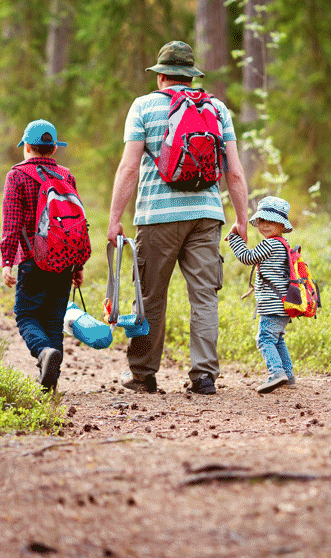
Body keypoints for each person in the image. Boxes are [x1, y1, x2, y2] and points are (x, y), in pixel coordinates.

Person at [104, 40, 251, 395]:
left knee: (151, 296)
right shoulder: (217, 109)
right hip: (207, 215)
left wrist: (114, 219)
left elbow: (129, 168)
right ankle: (203, 375)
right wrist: (242, 220)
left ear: (162, 77)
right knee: (204, 297)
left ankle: (143, 374)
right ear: (191, 76)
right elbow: (234, 172)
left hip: (157, 217)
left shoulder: (143, 107)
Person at [1, 119, 85, 392]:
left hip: (32, 259)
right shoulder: (66, 175)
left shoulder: (17, 175)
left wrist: (7, 262)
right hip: (64, 260)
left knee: (25, 314)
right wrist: (78, 264)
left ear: (27, 147)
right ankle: (50, 383)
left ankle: (42, 353)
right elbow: (77, 223)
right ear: (54, 149)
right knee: (52, 319)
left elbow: (12, 222)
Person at [227, 196, 298, 394]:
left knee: (264, 338)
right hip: (282, 304)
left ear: (282, 225)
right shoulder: (283, 244)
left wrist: (234, 238)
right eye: (262, 221)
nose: (265, 226)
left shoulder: (270, 245)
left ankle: (277, 373)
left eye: (271, 222)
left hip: (272, 304)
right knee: (277, 339)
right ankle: (289, 375)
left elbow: (247, 257)